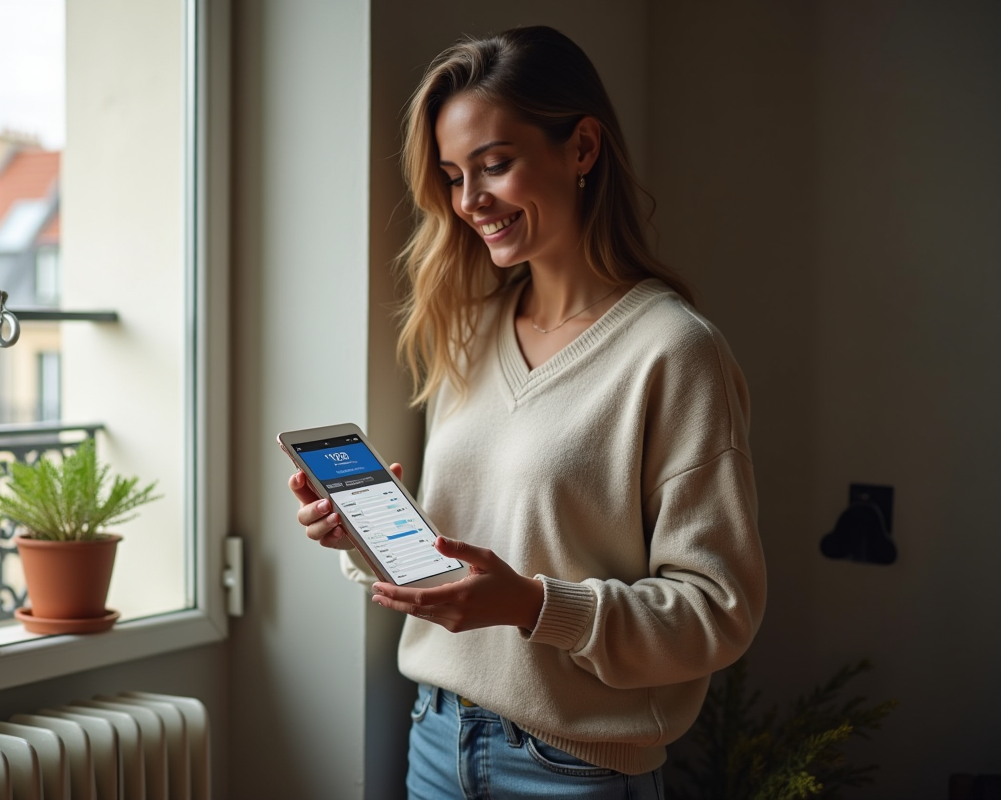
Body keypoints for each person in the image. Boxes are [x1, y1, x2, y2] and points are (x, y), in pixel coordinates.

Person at [288, 25, 766, 799]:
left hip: (575, 772)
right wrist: (367, 537)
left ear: (581, 148)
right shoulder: (470, 330)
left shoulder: (675, 352)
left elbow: (718, 614)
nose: (470, 201)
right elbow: (472, 554)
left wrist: (536, 606)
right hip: (437, 740)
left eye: (495, 165)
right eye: (451, 175)